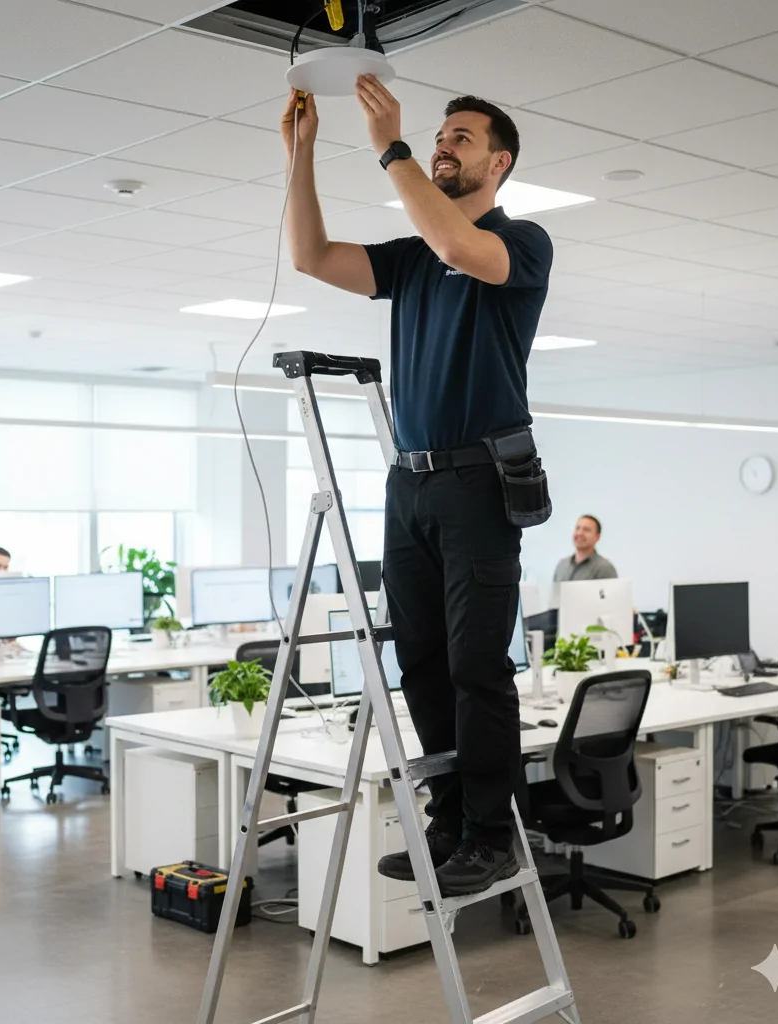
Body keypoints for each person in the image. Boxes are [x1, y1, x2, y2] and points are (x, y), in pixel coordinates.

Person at [283, 80, 553, 896]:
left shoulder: (522, 242)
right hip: (409, 483)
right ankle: (447, 820)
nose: (444, 145)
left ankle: (491, 832)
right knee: (421, 662)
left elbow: (461, 250)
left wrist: (391, 149)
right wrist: (299, 156)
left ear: (499, 161)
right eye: (440, 135)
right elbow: (311, 256)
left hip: (477, 481)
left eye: (461, 138)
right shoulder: (412, 258)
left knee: (477, 666)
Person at [553, 516, 617, 582]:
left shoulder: (604, 568)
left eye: (586, 530)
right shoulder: (562, 565)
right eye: (577, 528)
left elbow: (610, 592)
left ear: (597, 537)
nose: (579, 533)